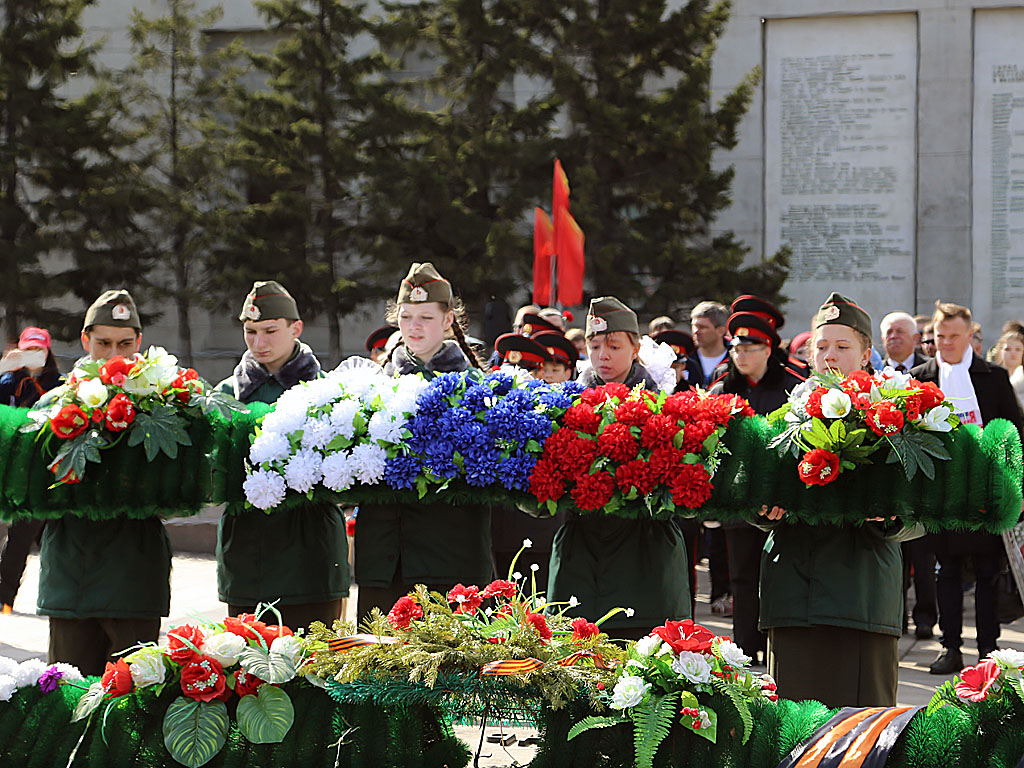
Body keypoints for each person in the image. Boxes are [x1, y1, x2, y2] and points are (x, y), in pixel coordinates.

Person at [758, 292, 923, 707]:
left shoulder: (897, 416)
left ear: (868, 353)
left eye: (843, 346)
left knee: (862, 733)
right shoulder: (783, 417)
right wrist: (762, 510)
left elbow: (925, 508)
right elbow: (756, 493)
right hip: (793, 595)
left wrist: (893, 517)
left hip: (861, 595)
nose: (830, 355)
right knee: (794, 734)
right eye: (822, 345)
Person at [36, 290, 173, 676]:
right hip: (71, 578)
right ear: (85, 340)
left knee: (131, 710)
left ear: (139, 343)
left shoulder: (165, 408)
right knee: (68, 704)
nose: (115, 354)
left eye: (125, 343)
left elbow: (178, 493)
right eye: (104, 343)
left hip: (136, 578)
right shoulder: (53, 407)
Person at [355, 262, 492, 620]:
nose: (414, 326)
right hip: (385, 561)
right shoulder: (372, 385)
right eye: (406, 316)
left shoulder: (475, 386)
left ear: (448, 320)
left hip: (452, 560)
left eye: (426, 317)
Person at [549, 296, 690, 638]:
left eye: (613, 345)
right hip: (580, 557)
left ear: (635, 348)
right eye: (595, 345)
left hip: (645, 557)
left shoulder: (663, 404)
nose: (603, 355)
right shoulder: (564, 404)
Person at [216, 281, 349, 630]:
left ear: (296, 328)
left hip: (312, 558)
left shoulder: (327, 390)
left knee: (316, 673)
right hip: (248, 558)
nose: (259, 343)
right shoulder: (227, 395)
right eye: (250, 332)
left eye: (270, 331)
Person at [911, 302, 1024, 674]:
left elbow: (1015, 434)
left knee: (988, 572)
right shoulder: (921, 375)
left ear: (970, 336)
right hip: (941, 494)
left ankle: (989, 649)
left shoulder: (993, 377)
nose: (945, 343)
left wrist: (1015, 490)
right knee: (947, 570)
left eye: (953, 336)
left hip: (985, 491)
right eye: (939, 336)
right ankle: (951, 647)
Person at [711, 310, 805, 665]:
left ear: (767, 349)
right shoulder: (722, 389)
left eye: (749, 347)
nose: (741, 354)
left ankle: (783, 655)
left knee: (783, 578)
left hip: (783, 505)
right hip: (740, 504)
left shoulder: (793, 385)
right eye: (736, 347)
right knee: (743, 580)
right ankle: (745, 654)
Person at [0, 328, 63, 613]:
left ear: (49, 352)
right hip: (12, 472)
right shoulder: (8, 382)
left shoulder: (60, 385)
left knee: (40, 538)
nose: (34, 357)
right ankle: (4, 599)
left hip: (47, 474)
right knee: (15, 537)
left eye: (40, 350)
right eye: (29, 350)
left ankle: (58, 597)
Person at [688, 301, 729, 388]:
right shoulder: (686, 359)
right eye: (694, 326)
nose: (696, 331)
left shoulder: (736, 359)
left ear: (721, 331)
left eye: (702, 327)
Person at [990, 323, 1024, 409]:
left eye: (1018, 349)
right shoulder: (992, 377)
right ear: (1000, 351)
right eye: (1007, 349)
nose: (1013, 353)